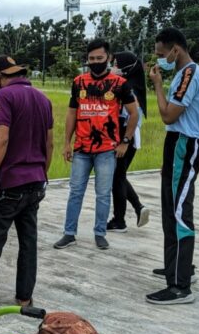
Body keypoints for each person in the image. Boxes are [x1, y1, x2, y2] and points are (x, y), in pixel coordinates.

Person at [0, 55, 53, 311]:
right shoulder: (43, 99)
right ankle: (25, 297)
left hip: (10, 184)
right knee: (29, 241)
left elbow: (2, 138)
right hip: (36, 181)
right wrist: (42, 173)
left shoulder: (4, 96)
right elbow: (49, 143)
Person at [53, 39, 139, 250]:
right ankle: (69, 233)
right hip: (81, 149)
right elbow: (72, 112)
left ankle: (100, 233)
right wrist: (66, 142)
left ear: (108, 58)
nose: (95, 62)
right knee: (75, 192)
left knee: (103, 194)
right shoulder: (79, 82)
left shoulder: (119, 84)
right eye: (91, 59)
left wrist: (125, 142)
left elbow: (134, 113)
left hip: (107, 150)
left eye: (99, 58)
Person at [147, 27, 199, 305]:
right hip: (179, 146)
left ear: (176, 49)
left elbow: (169, 115)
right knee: (171, 207)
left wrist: (158, 85)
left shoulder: (187, 75)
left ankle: (180, 286)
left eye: (163, 54)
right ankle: (177, 265)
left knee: (178, 212)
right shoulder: (191, 73)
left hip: (185, 144)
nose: (160, 59)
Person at [106, 51, 150, 233]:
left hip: (126, 137)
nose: (113, 67)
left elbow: (131, 116)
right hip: (127, 137)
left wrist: (124, 141)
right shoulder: (130, 85)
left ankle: (120, 219)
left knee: (116, 177)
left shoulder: (128, 88)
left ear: (126, 67)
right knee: (118, 175)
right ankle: (137, 208)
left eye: (116, 63)